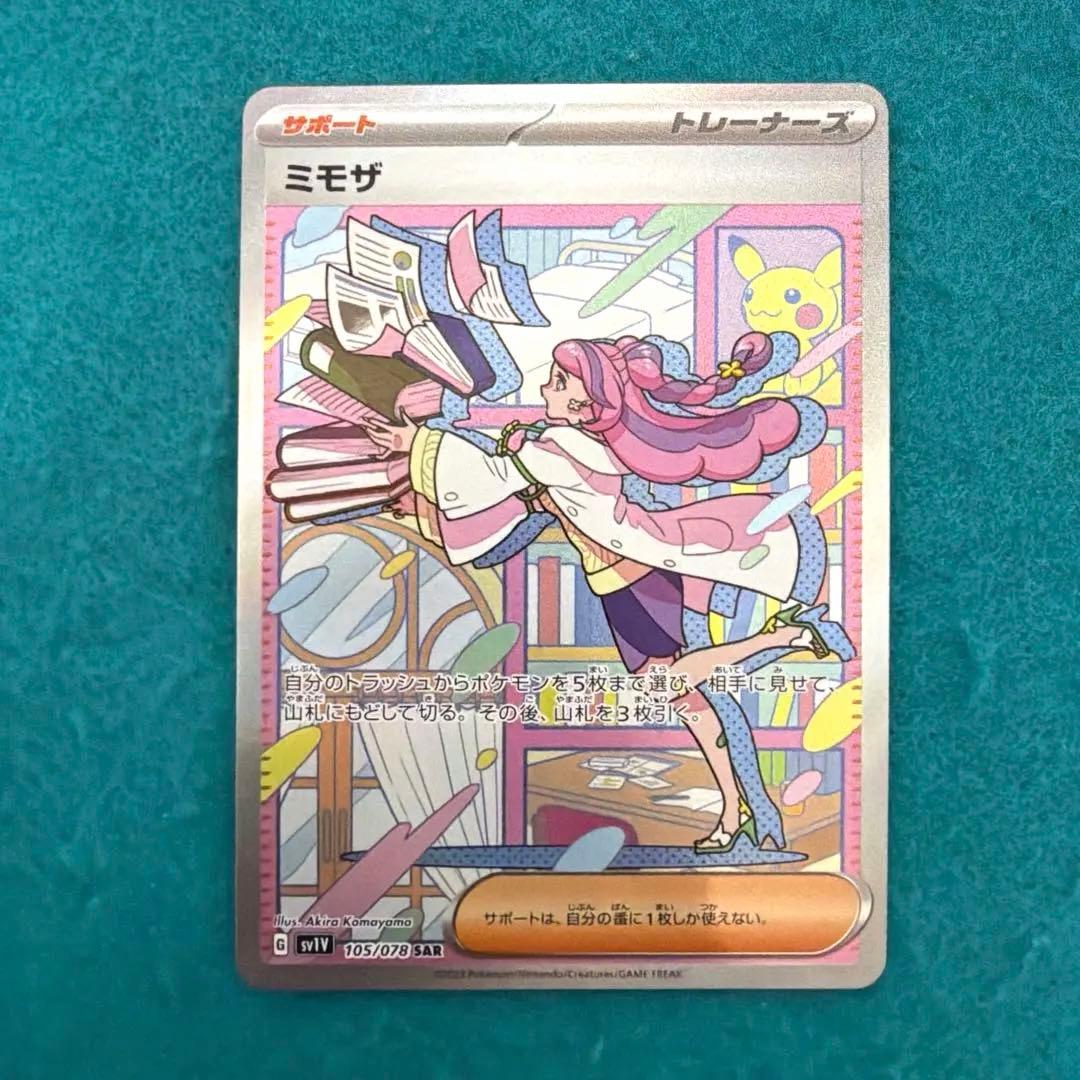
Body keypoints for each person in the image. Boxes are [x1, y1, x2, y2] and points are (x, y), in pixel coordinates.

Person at [366, 333, 853, 853]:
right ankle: (735, 813)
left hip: (636, 579)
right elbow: (524, 498)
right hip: (621, 581)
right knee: (690, 701)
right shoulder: (569, 447)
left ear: (586, 404)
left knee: (673, 687)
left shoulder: (564, 448)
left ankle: (788, 639)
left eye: (558, 383)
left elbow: (490, 476)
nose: (544, 389)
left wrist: (416, 443)